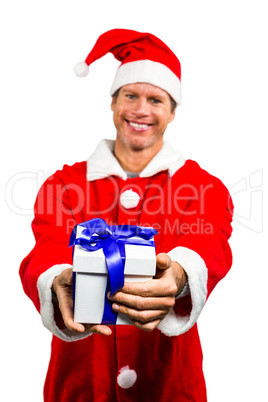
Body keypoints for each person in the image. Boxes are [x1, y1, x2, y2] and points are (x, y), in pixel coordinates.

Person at [20, 29, 233, 401]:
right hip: (82, 381)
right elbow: (48, 246)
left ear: (172, 112)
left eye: (156, 99)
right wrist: (56, 279)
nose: (141, 110)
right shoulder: (63, 184)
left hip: (169, 381)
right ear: (113, 104)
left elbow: (209, 240)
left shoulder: (203, 186)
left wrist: (181, 274)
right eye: (130, 96)